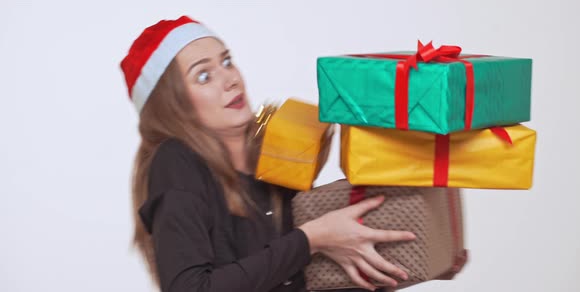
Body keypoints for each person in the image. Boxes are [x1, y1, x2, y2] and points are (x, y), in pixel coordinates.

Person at [120, 15, 416, 292]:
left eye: (227, 62)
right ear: (172, 105)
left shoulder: (273, 156)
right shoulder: (175, 161)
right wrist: (311, 239)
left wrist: (416, 261)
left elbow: (299, 279)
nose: (230, 79)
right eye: (203, 76)